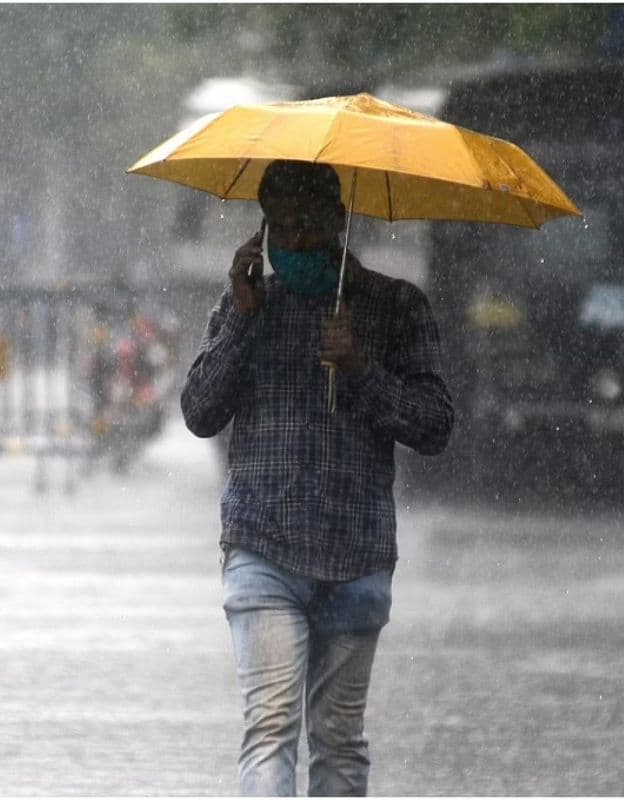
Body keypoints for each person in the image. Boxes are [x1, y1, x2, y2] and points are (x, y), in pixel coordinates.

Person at [181, 160, 454, 796]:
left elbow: (435, 425)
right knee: (271, 723)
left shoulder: (396, 306)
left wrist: (361, 365)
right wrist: (244, 320)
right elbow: (199, 412)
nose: (296, 241)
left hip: (356, 554)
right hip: (263, 545)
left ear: (339, 221)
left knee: (336, 736)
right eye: (280, 226)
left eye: (308, 224)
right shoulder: (247, 304)